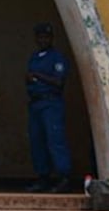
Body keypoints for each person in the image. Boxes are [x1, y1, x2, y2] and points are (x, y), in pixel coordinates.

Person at [25, 22, 73, 193]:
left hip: (51, 102)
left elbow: (59, 82)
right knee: (37, 141)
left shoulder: (57, 58)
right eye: (40, 37)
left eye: (46, 37)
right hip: (36, 103)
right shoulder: (35, 57)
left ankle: (63, 177)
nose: (43, 40)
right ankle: (43, 177)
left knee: (55, 140)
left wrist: (38, 76)